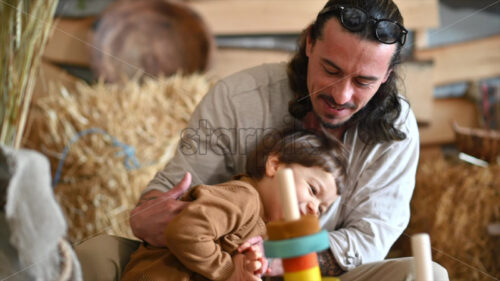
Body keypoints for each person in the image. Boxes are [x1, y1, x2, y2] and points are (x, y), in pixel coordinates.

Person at [75, 0, 450, 280]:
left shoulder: (397, 130)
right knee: (95, 254)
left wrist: (275, 259)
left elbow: (368, 241)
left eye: (364, 81)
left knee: (426, 274)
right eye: (330, 70)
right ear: (309, 44)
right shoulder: (238, 97)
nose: (341, 95)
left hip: (322, 274)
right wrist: (149, 215)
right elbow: (177, 190)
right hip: (213, 260)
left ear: (385, 77)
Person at [120, 129, 347, 281]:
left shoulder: (268, 231)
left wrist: (249, 267)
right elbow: (185, 230)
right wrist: (229, 271)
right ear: (275, 166)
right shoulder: (244, 198)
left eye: (321, 209)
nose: (312, 209)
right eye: (313, 190)